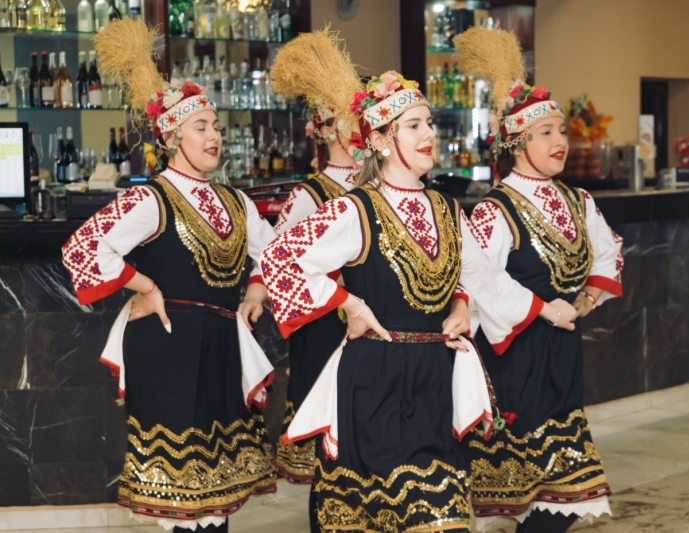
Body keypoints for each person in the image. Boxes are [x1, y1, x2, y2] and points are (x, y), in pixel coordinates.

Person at [261, 70, 562, 533]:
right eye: (414, 125)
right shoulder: (355, 208)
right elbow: (280, 258)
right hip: (374, 381)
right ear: (381, 140)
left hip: (434, 379)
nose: (429, 134)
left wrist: (462, 305)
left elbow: (478, 275)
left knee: (443, 517)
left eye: (430, 123)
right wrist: (349, 304)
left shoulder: (447, 208)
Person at [61, 20, 278, 532]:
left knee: (217, 494)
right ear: (173, 135)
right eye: (201, 126)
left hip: (220, 345)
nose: (214, 135)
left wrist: (255, 288)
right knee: (180, 498)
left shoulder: (235, 200)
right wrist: (145, 286)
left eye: (216, 126)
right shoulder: (151, 197)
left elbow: (275, 252)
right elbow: (84, 247)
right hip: (167, 344)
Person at [454, 27, 624, 533]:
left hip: (562, 355)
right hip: (516, 359)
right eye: (545, 133)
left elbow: (609, 251)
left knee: (560, 495)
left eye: (562, 131)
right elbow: (477, 277)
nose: (560, 142)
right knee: (541, 495)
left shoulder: (577, 200)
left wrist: (586, 301)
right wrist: (542, 308)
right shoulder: (496, 209)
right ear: (517, 142)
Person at [268, 28, 361, 532]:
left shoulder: (379, 189)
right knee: (330, 457)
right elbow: (279, 271)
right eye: (348, 120)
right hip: (325, 334)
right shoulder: (308, 196)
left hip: (375, 336)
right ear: (327, 129)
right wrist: (339, 299)